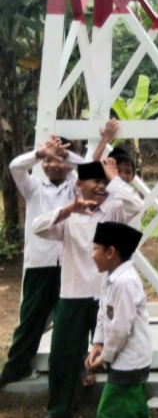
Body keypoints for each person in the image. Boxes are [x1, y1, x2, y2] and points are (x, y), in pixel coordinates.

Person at [31, 159, 143, 418]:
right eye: (97, 181)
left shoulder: (113, 209)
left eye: (105, 182)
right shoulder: (69, 216)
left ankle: (123, 408)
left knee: (118, 350)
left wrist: (115, 177)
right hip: (72, 294)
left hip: (107, 294)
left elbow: (137, 206)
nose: (102, 186)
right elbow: (37, 227)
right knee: (62, 356)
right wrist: (70, 208)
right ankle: (58, 412)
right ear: (79, 186)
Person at [0, 136, 84, 389]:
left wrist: (67, 156)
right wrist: (40, 152)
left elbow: (92, 169)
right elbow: (15, 166)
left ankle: (75, 371)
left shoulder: (74, 188)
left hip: (68, 265)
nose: (52, 165)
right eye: (47, 161)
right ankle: (15, 368)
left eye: (58, 160)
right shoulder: (33, 187)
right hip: (39, 265)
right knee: (30, 319)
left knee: (69, 322)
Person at [85, 221, 151, 418]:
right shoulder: (112, 280)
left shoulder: (125, 283)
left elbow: (121, 328)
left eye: (96, 249)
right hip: (125, 361)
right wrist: (98, 342)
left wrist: (106, 355)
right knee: (134, 412)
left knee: (110, 416)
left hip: (128, 363)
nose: (93, 255)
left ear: (111, 252)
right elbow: (104, 315)